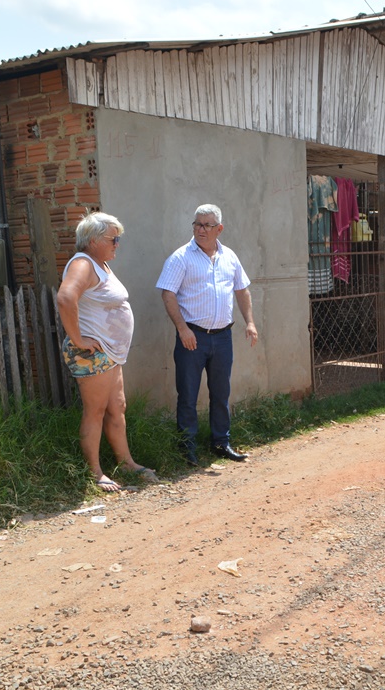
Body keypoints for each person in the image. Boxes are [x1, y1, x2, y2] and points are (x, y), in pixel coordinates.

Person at [57, 211, 157, 492]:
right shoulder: (83, 264)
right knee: (96, 411)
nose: (117, 244)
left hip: (110, 354)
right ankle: (95, 473)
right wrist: (78, 339)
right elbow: (66, 298)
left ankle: (126, 463)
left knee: (118, 407)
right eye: (113, 238)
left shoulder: (99, 264)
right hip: (94, 355)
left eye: (118, 239)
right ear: (93, 239)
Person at [157, 204, 259, 466]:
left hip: (223, 337)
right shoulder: (181, 258)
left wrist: (250, 322)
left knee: (221, 392)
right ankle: (187, 447)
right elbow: (168, 293)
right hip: (193, 337)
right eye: (197, 224)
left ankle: (221, 442)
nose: (200, 230)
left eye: (207, 225)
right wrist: (182, 329)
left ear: (219, 229)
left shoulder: (230, 257)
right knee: (188, 394)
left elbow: (242, 290)